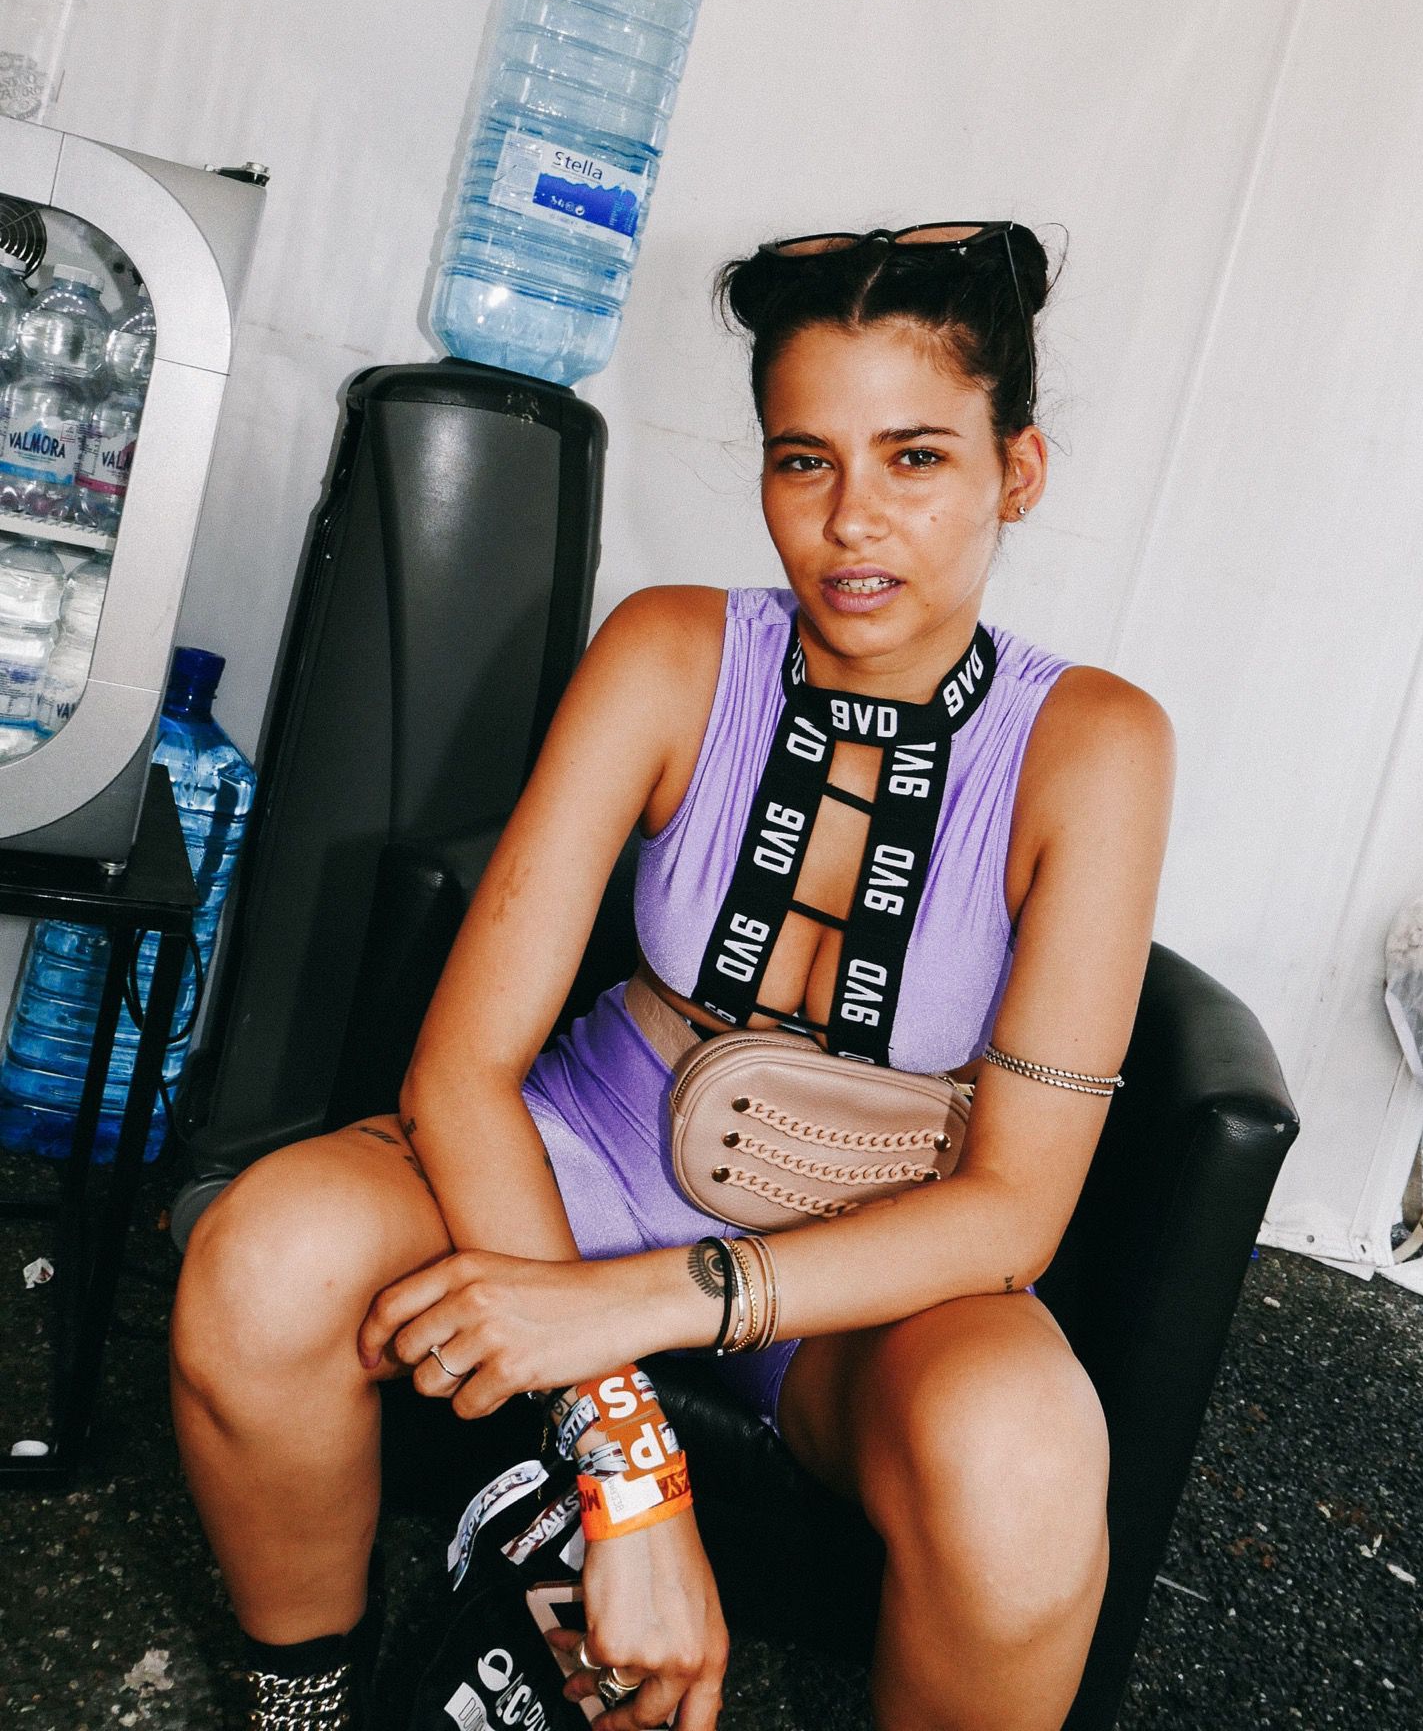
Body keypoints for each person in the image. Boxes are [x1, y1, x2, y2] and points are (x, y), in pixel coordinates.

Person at [171, 219, 1175, 1731]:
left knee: (1026, 1463)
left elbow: (1015, 1208)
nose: (852, 522)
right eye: (803, 460)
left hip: (877, 1254)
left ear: (1015, 472)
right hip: (588, 1151)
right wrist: (627, 1465)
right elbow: (461, 1071)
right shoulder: (671, 651)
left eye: (915, 459)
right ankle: (301, 1705)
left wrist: (629, 1312)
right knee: (264, 1260)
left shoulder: (1096, 746)